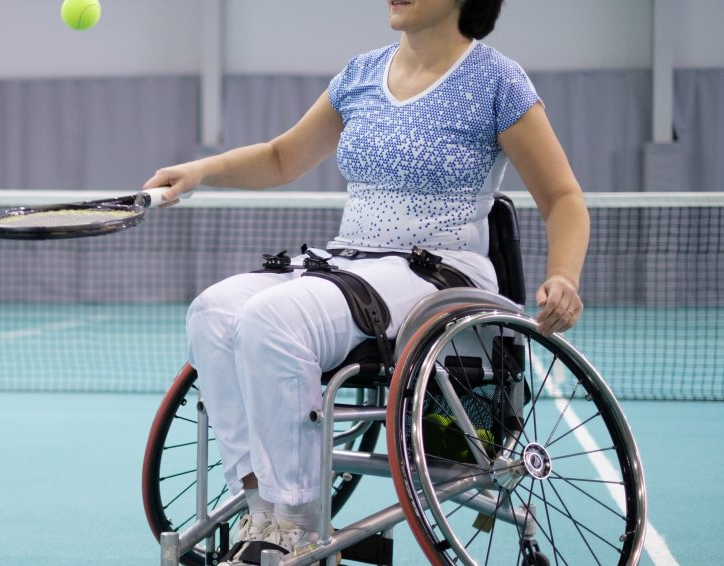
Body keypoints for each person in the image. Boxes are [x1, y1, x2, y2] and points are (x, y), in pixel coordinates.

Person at [141, 0, 589, 562]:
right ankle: (261, 507)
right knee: (214, 310)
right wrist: (201, 171)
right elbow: (282, 157)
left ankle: (294, 524)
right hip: (352, 263)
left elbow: (563, 197)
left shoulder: (497, 80)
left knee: (273, 319)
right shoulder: (359, 75)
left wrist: (564, 276)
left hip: (440, 274)